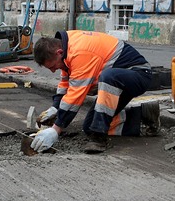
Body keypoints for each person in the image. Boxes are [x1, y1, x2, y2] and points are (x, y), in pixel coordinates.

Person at [31, 30, 160, 154]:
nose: (53, 71)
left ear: (59, 52)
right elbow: (66, 83)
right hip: (118, 81)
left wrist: (56, 129)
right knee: (89, 127)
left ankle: (99, 138)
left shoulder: (79, 52)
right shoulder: (66, 51)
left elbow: (75, 96)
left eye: (53, 66)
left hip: (138, 74)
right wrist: (55, 108)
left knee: (108, 76)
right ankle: (144, 118)